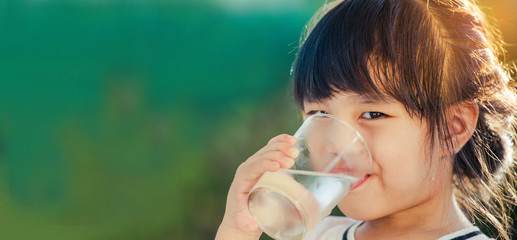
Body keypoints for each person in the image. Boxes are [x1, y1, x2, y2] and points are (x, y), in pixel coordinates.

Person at [215, 0, 517, 239]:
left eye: (373, 114)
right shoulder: (318, 234)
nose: (338, 142)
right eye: (319, 114)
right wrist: (238, 231)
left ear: (454, 129)